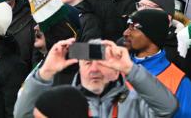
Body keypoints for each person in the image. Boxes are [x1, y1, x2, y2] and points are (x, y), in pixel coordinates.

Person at [13, 38, 178, 118]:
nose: (94, 69)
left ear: (116, 71)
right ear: (79, 69)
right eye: (87, 63)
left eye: (102, 63)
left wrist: (130, 69)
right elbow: (23, 116)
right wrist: (45, 73)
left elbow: (168, 108)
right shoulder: (64, 102)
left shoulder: (135, 104)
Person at [123, 9, 191, 118]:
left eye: (134, 27)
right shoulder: (116, 69)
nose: (126, 33)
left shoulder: (179, 81)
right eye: (128, 26)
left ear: (152, 33)